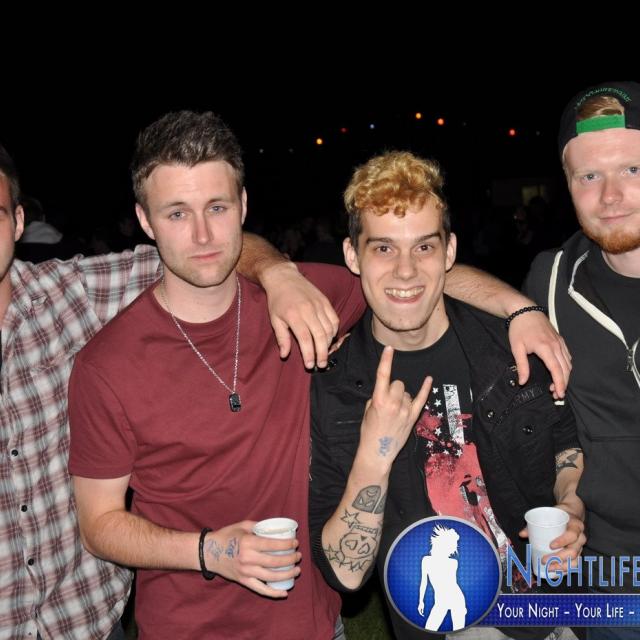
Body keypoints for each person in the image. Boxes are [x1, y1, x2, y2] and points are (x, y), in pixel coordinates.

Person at [0, 139, 342, 639]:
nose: (199, 228)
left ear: (17, 221)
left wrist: (278, 273)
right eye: (177, 213)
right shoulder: (105, 357)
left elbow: (204, 252)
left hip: (82, 624)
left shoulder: (72, 294)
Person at [308, 151, 586, 640]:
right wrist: (375, 455)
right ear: (352, 256)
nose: (406, 271)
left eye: (424, 247)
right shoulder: (334, 389)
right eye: (383, 248)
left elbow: (567, 442)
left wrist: (571, 502)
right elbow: (346, 575)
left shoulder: (511, 351)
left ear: (449, 251)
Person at [445, 81, 640, 640]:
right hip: (610, 576)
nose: (610, 197)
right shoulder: (552, 280)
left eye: (632, 170)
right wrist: (519, 307)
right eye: (589, 177)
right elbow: (427, 272)